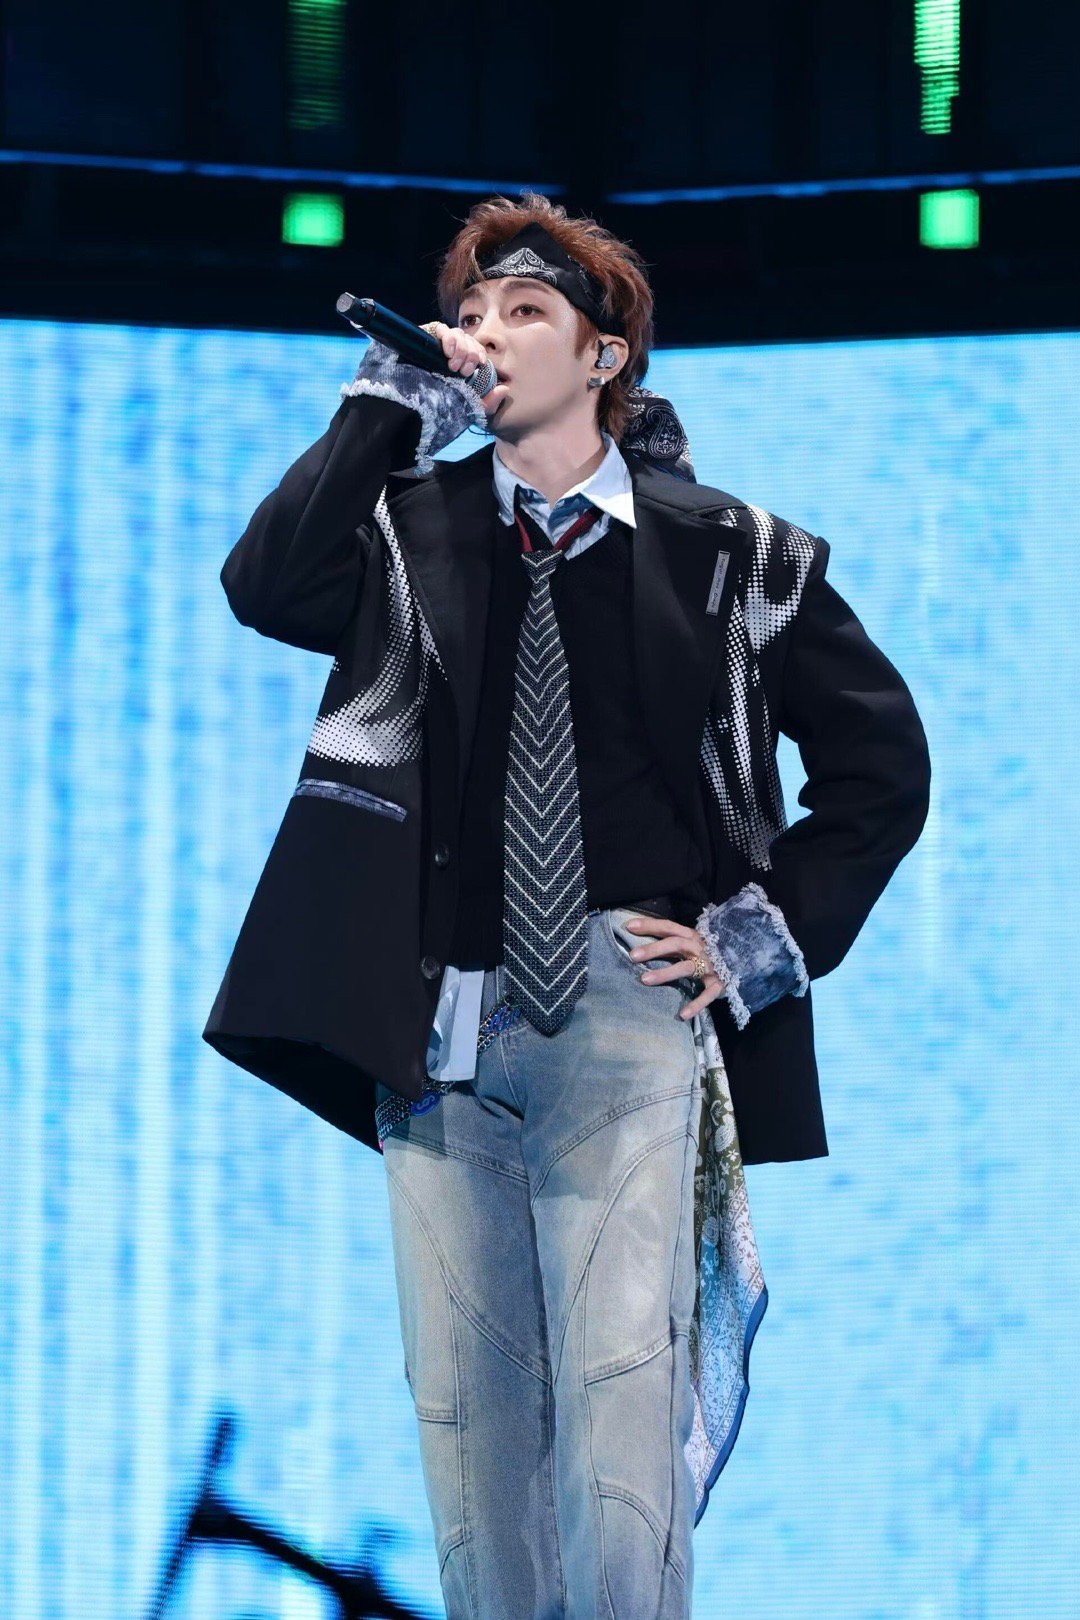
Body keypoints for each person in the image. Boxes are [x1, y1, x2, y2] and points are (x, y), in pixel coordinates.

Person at [203, 192, 932, 1618]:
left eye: (523, 311)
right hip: (438, 1016)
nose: (485, 333)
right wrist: (390, 408)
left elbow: (881, 765)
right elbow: (266, 583)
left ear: (605, 355)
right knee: (470, 1436)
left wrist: (755, 939)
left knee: (619, 1419)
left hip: (625, 1003)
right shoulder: (405, 532)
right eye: (469, 315)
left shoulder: (739, 553)